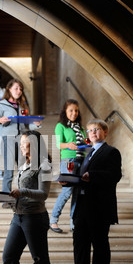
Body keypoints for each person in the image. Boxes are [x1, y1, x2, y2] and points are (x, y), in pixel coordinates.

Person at [0, 130, 55, 264]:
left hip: (34, 218)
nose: (21, 146)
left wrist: (22, 191)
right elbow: (20, 193)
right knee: (9, 258)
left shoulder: (44, 165)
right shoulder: (24, 163)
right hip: (18, 217)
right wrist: (3, 198)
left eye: (25, 143)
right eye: (20, 143)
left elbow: (43, 194)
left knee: (40, 261)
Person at [60, 119, 122, 264]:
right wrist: (68, 182)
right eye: (90, 131)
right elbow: (82, 179)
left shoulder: (111, 152)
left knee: (100, 247)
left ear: (105, 132)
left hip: (99, 207)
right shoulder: (88, 154)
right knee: (80, 247)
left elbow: (114, 175)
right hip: (82, 207)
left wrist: (92, 175)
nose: (93, 133)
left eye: (96, 129)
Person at [0, 79, 41, 193]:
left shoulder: (22, 106)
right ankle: (6, 198)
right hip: (8, 139)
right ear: (9, 89)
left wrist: (36, 124)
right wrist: (0, 120)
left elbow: (27, 125)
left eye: (21, 89)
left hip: (23, 140)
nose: (19, 91)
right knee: (8, 170)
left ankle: (24, 194)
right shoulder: (2, 105)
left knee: (23, 169)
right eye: (16, 88)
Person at [50, 99, 86, 233]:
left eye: (76, 110)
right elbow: (58, 144)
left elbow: (84, 142)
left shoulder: (80, 128)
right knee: (67, 191)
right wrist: (68, 145)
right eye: (71, 110)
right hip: (68, 160)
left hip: (81, 160)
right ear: (65, 111)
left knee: (78, 193)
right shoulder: (61, 126)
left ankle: (74, 222)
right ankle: (53, 220)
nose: (74, 113)